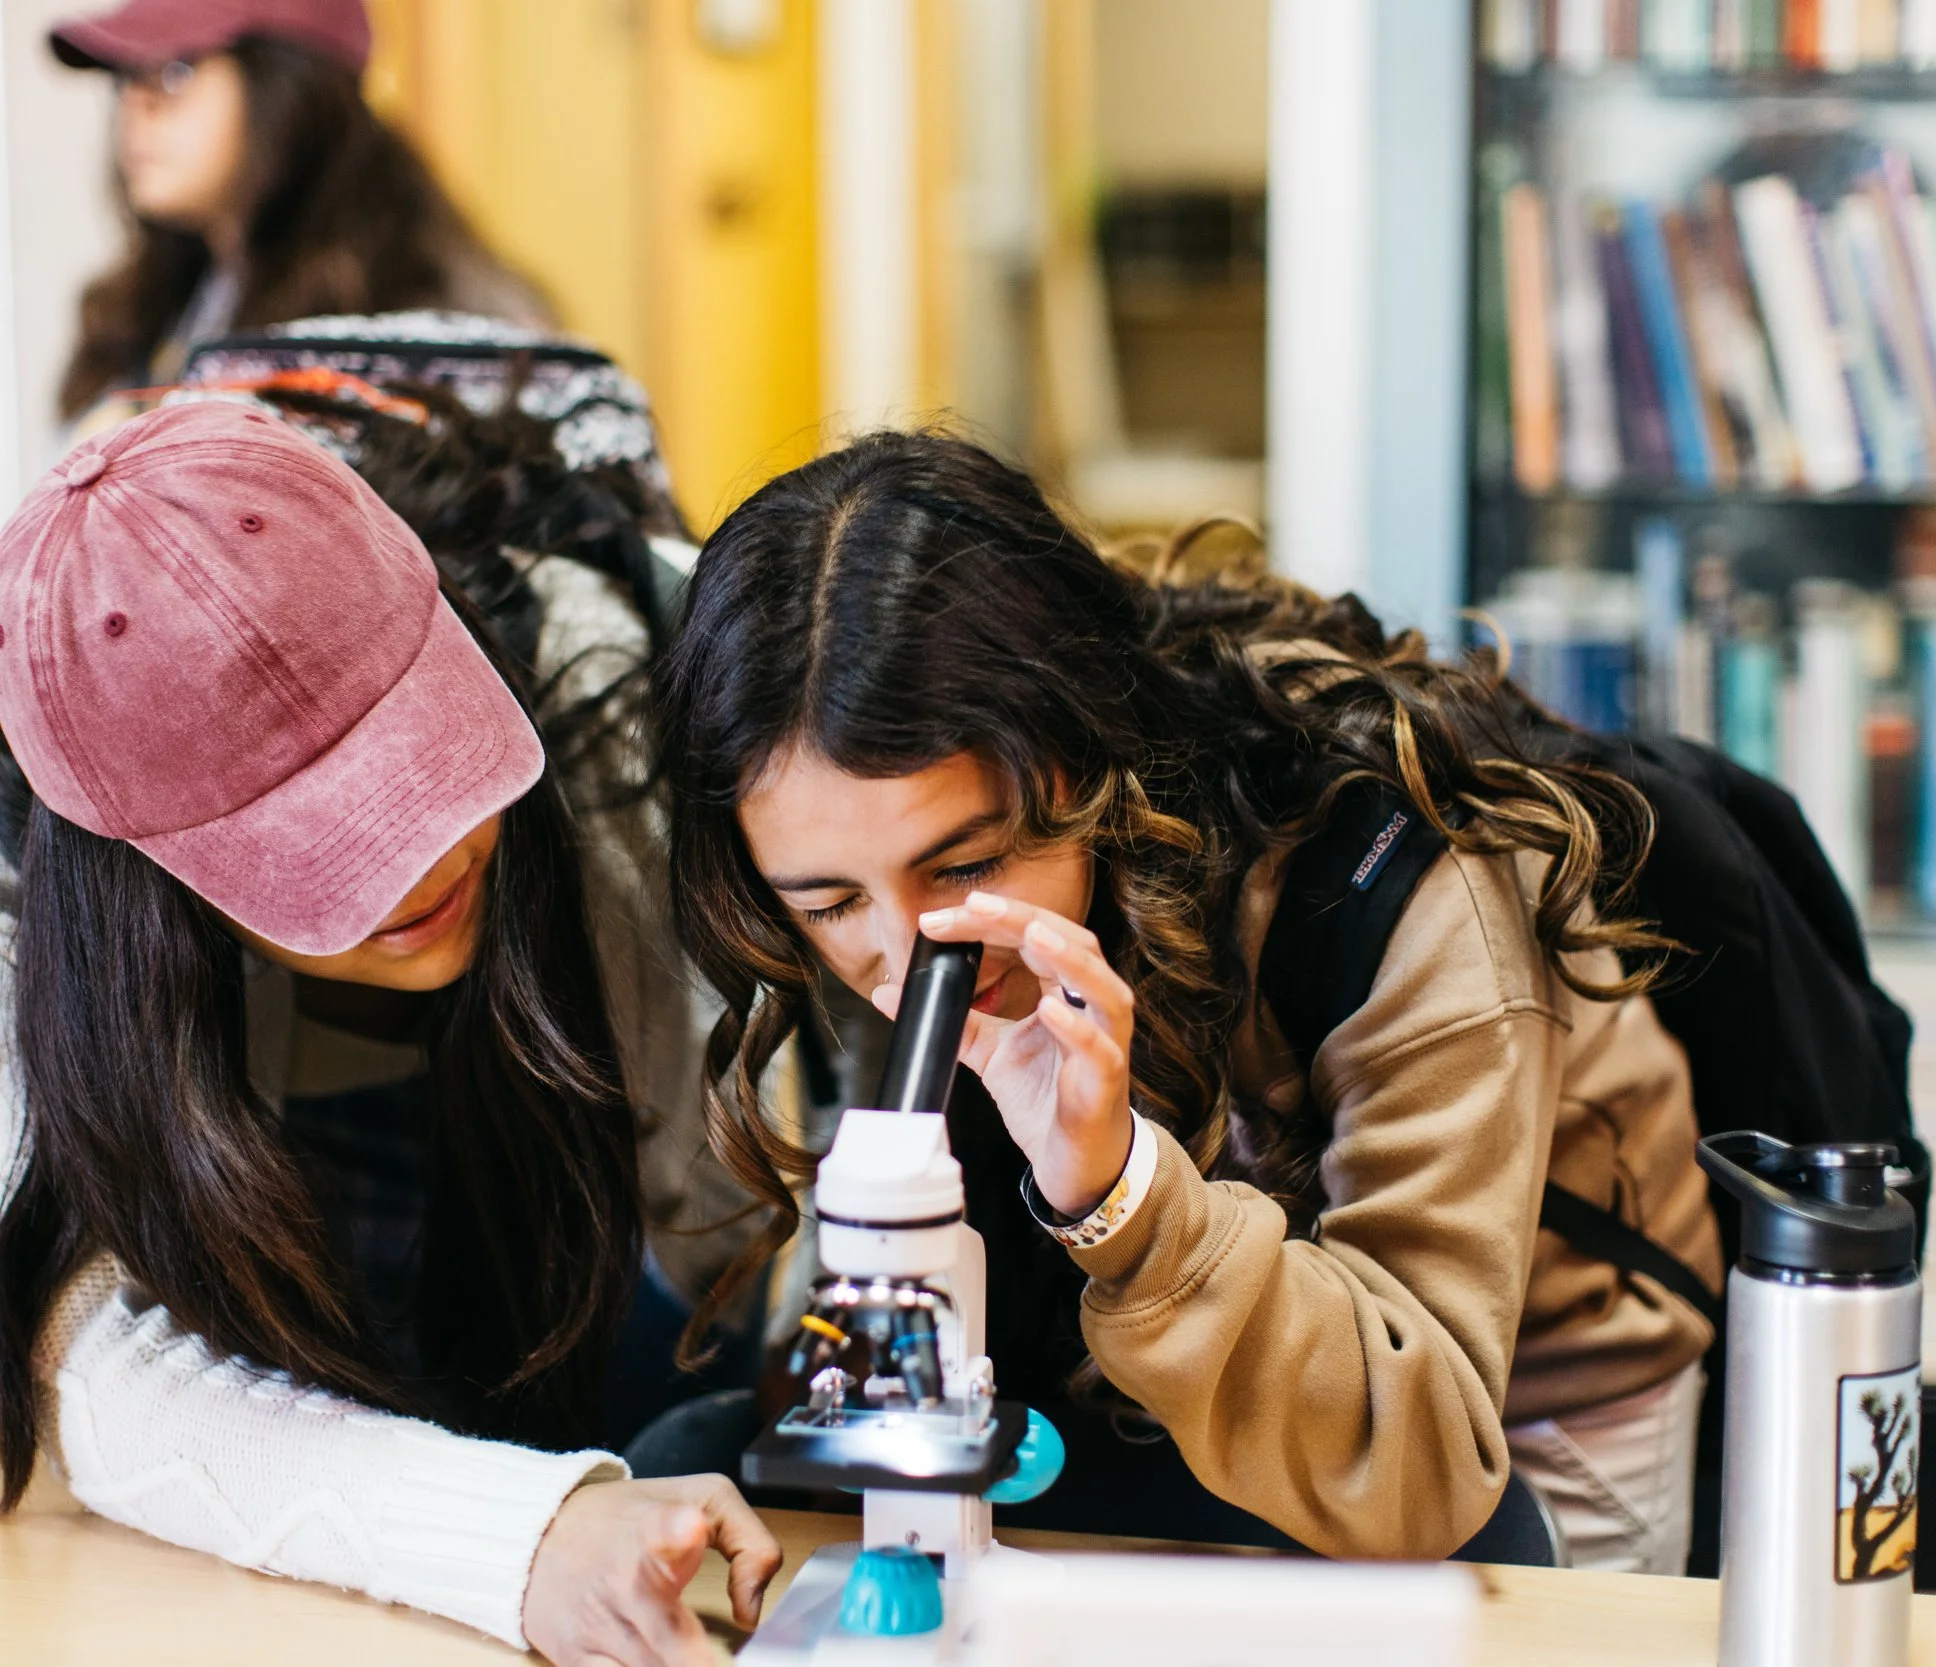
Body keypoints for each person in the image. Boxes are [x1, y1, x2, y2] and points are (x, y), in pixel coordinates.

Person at [652, 432, 1724, 1576]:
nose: (904, 954)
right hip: (1155, 1375)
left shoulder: (1394, 880)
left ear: (1081, 757)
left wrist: (1121, 1193)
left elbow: (1416, 1463)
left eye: (963, 866)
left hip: (1509, 1404)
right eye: (826, 902)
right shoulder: (862, 878)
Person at [0, 401, 775, 1666]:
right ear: (145, 880)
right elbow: (104, 1382)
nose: (423, 853)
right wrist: (522, 1536)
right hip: (268, 1352)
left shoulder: (601, 662)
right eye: (315, 835)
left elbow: (802, 1131)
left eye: (414, 754)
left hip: (628, 1243)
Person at [51, 0, 551, 432]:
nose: (135, 104)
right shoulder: (151, 306)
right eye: (124, 76)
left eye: (175, 70)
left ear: (289, 86)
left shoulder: (447, 324)